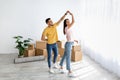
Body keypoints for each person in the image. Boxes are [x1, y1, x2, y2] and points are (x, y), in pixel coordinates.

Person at [59, 11, 78, 77]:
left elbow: (69, 36)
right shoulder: (67, 27)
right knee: (68, 57)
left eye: (69, 21)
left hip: (70, 43)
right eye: (67, 21)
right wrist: (72, 14)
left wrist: (74, 40)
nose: (69, 22)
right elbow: (74, 22)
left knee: (65, 56)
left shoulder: (68, 28)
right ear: (65, 23)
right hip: (68, 44)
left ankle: (61, 65)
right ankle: (69, 71)